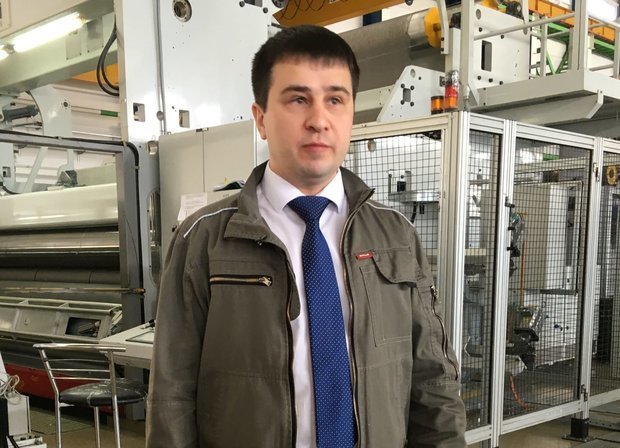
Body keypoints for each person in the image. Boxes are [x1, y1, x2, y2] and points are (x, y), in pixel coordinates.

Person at [146, 24, 466, 448]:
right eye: (298, 99)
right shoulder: (204, 239)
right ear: (261, 118)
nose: (318, 120)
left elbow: (433, 379)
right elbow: (172, 394)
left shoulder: (395, 235)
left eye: (335, 100)